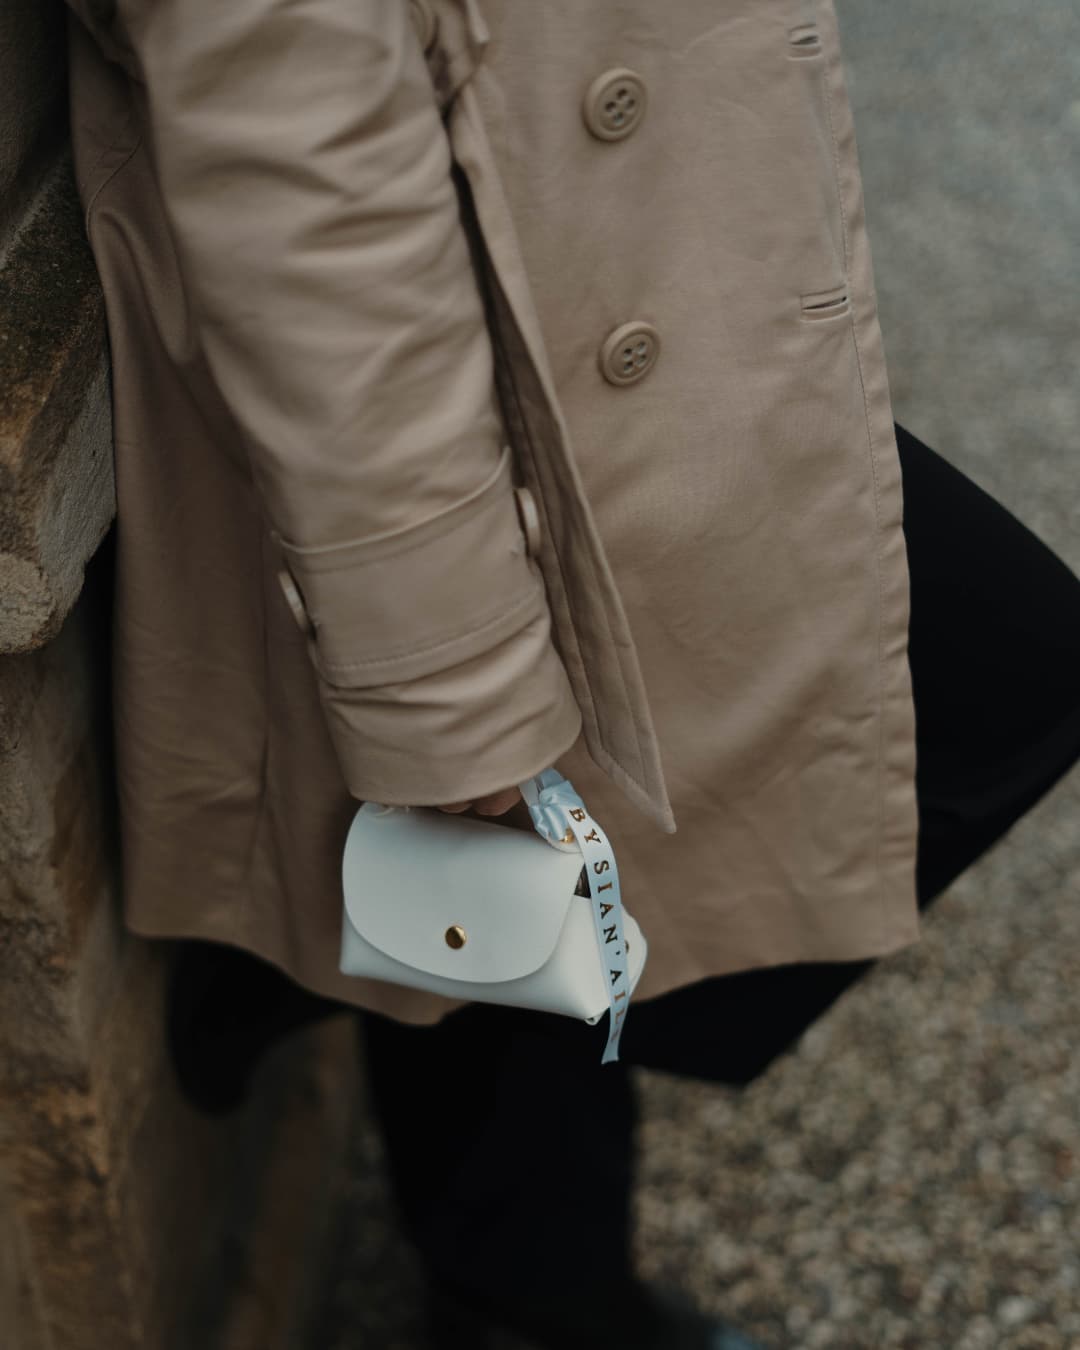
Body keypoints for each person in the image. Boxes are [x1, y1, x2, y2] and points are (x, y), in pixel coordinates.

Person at [64, 2, 1080, 1346]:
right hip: (471, 336)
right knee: (1010, 672)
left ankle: (451, 1150)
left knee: (512, 890)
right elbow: (293, 160)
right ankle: (492, 1208)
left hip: (611, 257)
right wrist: (444, 679)